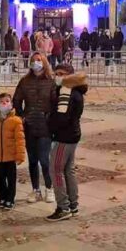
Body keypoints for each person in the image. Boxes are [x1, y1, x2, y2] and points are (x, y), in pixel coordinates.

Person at [13, 52, 57, 204]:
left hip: (45, 126)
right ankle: (36, 189)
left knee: (44, 160)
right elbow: (16, 100)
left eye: (38, 60)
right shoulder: (25, 81)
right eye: (33, 60)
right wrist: (21, 115)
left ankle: (49, 188)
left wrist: (51, 118)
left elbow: (55, 102)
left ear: (44, 62)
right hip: (30, 125)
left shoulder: (51, 81)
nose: (36, 63)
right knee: (32, 160)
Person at [47, 63, 87, 222]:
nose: (58, 77)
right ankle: (73, 204)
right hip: (72, 134)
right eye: (56, 73)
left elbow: (61, 117)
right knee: (68, 170)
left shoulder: (66, 91)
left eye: (62, 73)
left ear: (70, 76)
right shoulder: (76, 91)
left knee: (55, 170)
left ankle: (63, 207)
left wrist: (50, 125)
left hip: (63, 137)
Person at [0, 93, 25, 210]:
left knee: (11, 178)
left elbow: (20, 139)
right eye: (2, 101)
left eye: (7, 101)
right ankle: (2, 198)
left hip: (11, 155)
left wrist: (20, 155)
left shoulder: (16, 120)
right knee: (0, 178)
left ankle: (10, 199)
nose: (4, 103)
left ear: (11, 104)